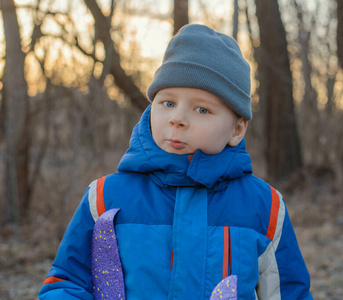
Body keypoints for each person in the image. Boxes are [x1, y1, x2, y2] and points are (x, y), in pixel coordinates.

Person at [39, 24, 313, 300]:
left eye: (202, 109)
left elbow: (289, 293)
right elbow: (66, 283)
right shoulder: (104, 198)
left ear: (237, 130)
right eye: (168, 103)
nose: (177, 118)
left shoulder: (264, 206)